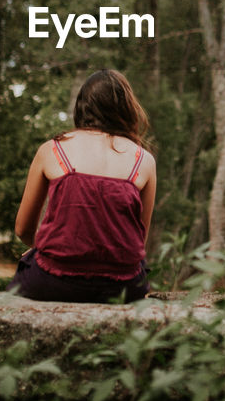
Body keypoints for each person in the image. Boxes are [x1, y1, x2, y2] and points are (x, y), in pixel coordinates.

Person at [10, 68, 156, 303]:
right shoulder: (144, 160)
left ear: (81, 107)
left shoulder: (52, 150)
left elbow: (22, 229)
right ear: (127, 109)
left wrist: (53, 250)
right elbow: (138, 239)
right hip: (122, 287)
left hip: (53, 280)